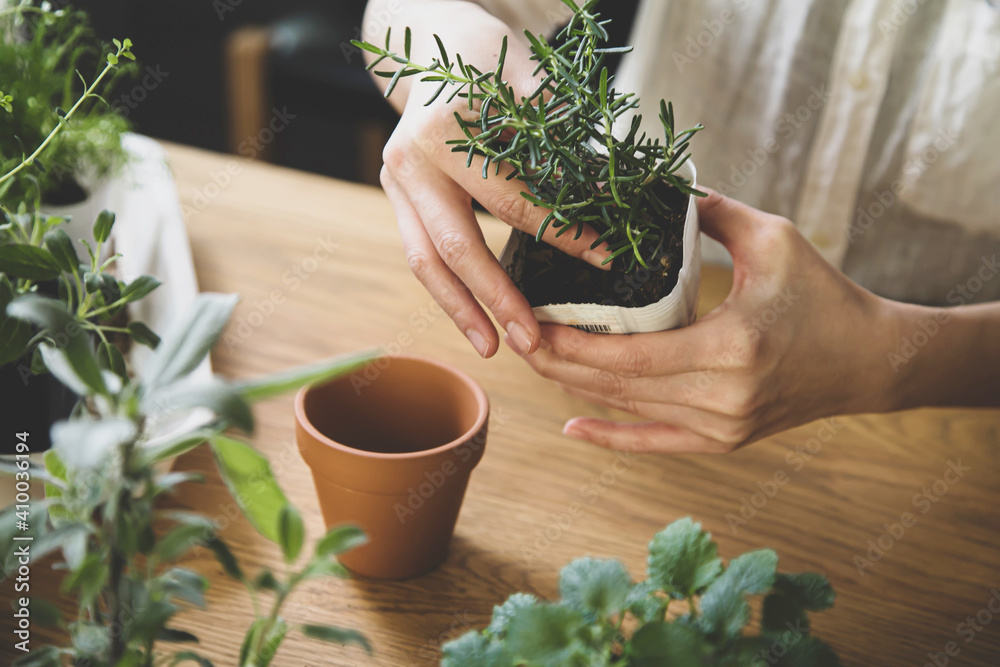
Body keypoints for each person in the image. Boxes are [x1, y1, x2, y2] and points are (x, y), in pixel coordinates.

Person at [362, 0, 1000, 453]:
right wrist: (439, 45)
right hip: (602, 424)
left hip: (949, 433)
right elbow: (398, 12)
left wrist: (889, 359)